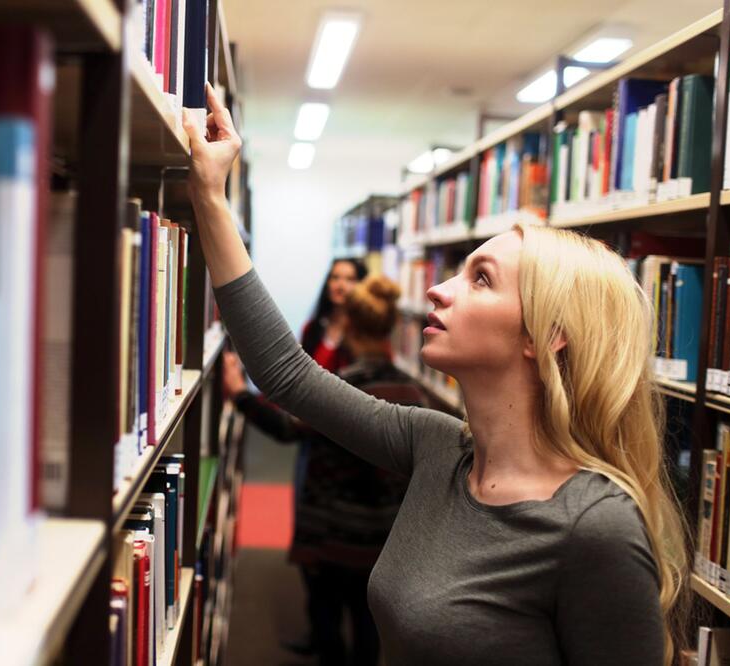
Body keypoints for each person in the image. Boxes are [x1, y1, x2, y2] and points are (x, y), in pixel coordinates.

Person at [181, 86, 689, 666]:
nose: (436, 290)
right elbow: (286, 374)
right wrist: (209, 197)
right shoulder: (438, 447)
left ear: (544, 336)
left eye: (480, 279)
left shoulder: (595, 529)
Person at [224, 274, 426, 666]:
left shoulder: (341, 390)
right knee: (368, 628)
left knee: (325, 616)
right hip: (382, 538)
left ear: (348, 324)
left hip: (331, 533)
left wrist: (239, 395)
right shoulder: (411, 392)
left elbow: (286, 428)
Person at [227, 257, 365, 657]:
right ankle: (320, 632)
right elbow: (295, 384)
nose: (340, 285)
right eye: (335, 277)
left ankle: (335, 638)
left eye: (349, 278)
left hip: (345, 448)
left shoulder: (363, 337)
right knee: (309, 538)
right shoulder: (315, 328)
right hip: (311, 442)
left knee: (338, 549)